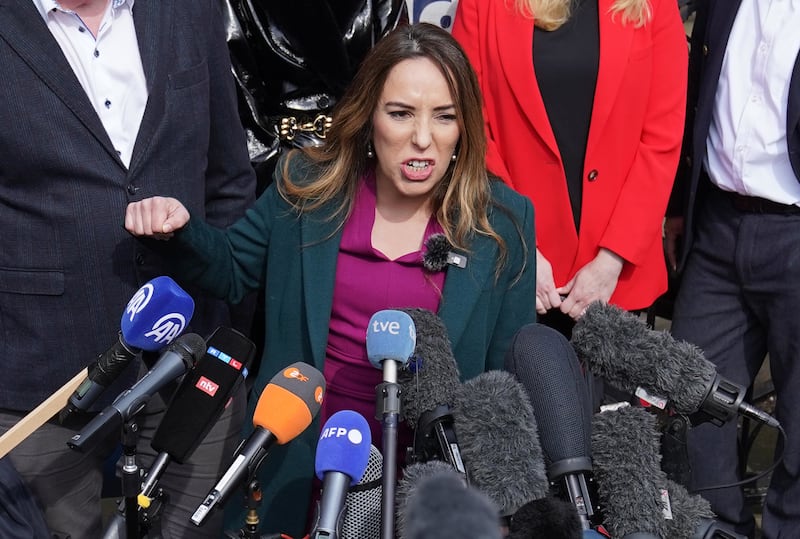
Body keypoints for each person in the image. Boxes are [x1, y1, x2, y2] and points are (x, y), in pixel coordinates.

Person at [125, 22, 537, 536]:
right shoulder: (306, 189)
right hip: (299, 464)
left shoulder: (503, 222)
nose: (423, 139)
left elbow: (506, 386)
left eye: (445, 118)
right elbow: (230, 270)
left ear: (465, 128)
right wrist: (179, 230)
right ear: (369, 117)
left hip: (432, 486)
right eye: (401, 114)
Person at [0, 1, 256, 538]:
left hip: (190, 360)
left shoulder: (189, 10)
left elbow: (230, 179)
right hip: (40, 374)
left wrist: (225, 314)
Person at [451, 0, 687, 335]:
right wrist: (520, 248)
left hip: (616, 277)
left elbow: (662, 137)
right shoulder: (481, 6)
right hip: (517, 273)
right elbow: (472, 128)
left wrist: (611, 261)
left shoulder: (655, 5)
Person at [664, 1, 800, 537]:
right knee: (692, 409)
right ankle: (715, 530)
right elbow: (694, 89)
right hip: (717, 226)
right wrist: (678, 203)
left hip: (794, 230)